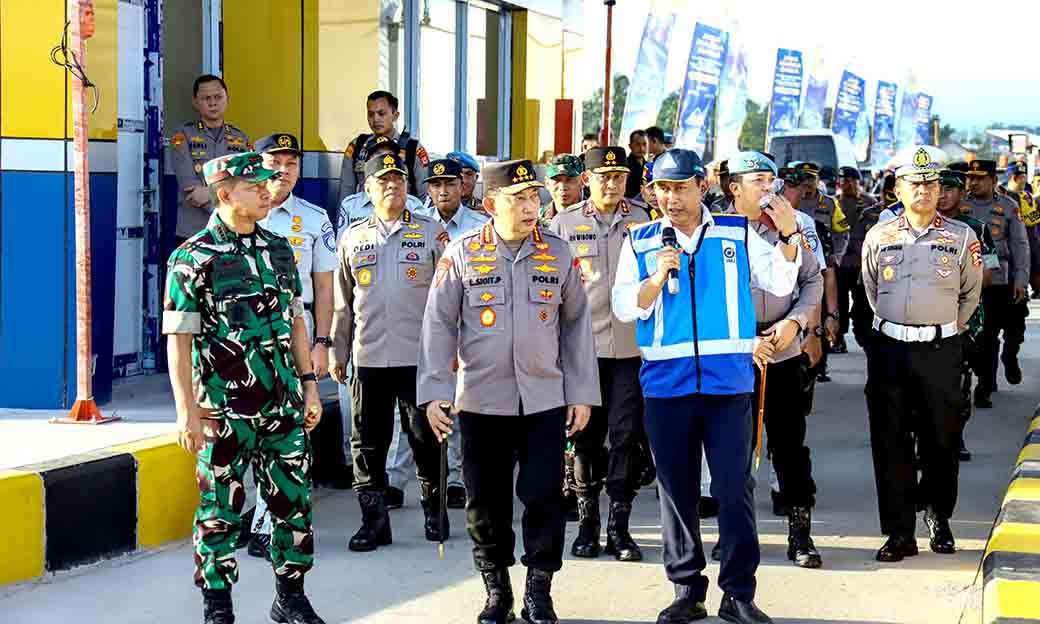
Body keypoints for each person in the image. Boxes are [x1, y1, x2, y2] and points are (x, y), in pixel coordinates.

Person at [612, 149, 802, 624]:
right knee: (675, 490)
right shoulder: (639, 241)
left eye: (679, 187)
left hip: (728, 384)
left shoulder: (735, 234)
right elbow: (622, 306)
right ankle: (686, 589)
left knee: (734, 487)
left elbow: (780, 279)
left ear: (702, 184)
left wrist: (789, 235)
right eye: (661, 188)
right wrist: (656, 278)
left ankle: (738, 592)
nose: (670, 198)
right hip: (667, 386)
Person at [419, 160, 600, 624]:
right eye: (517, 198)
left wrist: (581, 391)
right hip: (481, 399)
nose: (529, 207)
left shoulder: (558, 254)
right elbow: (438, 325)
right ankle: (496, 589)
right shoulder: (460, 253)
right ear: (489, 204)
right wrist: (436, 391)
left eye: (533, 197)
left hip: (544, 399)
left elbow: (578, 325)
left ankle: (540, 588)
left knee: (543, 496)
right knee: (485, 500)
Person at [164, 152, 325, 624]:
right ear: (225, 193)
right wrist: (186, 411)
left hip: (283, 406)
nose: (266, 189)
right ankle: (218, 607)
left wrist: (310, 385)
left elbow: (297, 320)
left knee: (293, 504)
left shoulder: (278, 248)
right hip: (223, 410)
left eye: (266, 182)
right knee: (220, 512)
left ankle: (290, 597)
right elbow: (180, 339)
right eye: (255, 184)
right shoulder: (192, 257)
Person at [861, 145, 982, 563]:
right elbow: (871, 291)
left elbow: (970, 295)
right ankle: (898, 532)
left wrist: (943, 326)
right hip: (891, 350)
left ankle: (939, 516)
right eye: (915, 183)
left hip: (940, 349)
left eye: (932, 183)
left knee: (942, 438)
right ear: (898, 188)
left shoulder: (962, 237)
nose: (925, 190)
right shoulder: (879, 236)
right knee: (890, 441)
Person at [329, 152, 447, 552]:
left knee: (424, 436)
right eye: (383, 181)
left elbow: (447, 302)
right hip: (368, 356)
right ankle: (373, 522)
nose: (392, 185)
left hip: (420, 357)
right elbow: (343, 304)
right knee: (367, 442)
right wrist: (336, 351)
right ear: (368, 189)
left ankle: (434, 511)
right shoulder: (353, 237)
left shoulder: (431, 233)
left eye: (397, 179)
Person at [241, 133, 341, 559]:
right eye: (275, 161)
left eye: (292, 162)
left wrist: (323, 342)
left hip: (291, 339)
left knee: (288, 433)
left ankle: (267, 523)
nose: (284, 170)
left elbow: (323, 287)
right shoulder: (242, 213)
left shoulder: (314, 219)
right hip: (242, 343)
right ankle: (252, 514)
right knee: (245, 433)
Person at [549, 146, 651, 563]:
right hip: (582, 350)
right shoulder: (562, 224)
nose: (611, 183)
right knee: (585, 439)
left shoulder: (643, 221)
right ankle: (588, 524)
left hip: (630, 349)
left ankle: (620, 529)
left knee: (625, 438)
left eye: (619, 176)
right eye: (603, 176)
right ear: (587, 180)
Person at [727, 154, 825, 569]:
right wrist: (744, 338)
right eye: (757, 180)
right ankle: (736, 535)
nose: (769, 188)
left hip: (783, 345)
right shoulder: (716, 229)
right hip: (734, 351)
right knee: (733, 449)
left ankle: (800, 533)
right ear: (734, 187)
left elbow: (813, 280)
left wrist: (798, 324)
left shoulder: (798, 224)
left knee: (789, 445)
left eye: (772, 179)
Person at [384, 159, 489, 510]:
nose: (443, 191)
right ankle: (396, 478)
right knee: (413, 408)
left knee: (457, 401)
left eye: (450, 184)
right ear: (427, 189)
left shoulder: (481, 225)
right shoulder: (416, 223)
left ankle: (455, 477)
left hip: (470, 322)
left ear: (463, 186)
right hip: (420, 327)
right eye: (436, 185)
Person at [938, 168, 997, 461]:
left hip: (964, 316)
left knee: (958, 380)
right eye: (940, 188)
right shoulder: (915, 225)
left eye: (950, 189)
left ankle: (954, 437)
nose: (944, 194)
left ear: (962, 194)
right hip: (924, 316)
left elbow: (986, 274)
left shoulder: (976, 228)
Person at [963, 159, 1030, 407]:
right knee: (986, 336)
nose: (974, 182)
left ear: (993, 180)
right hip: (972, 281)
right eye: (970, 177)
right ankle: (985, 384)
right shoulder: (960, 206)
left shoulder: (1009, 206)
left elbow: (1020, 246)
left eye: (979, 178)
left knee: (1014, 332)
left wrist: (1021, 279)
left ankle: (1010, 357)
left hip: (1002, 279)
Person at [169, 75, 250, 245]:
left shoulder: (241, 138)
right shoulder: (183, 135)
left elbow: (246, 182)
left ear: (227, 99)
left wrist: (209, 193)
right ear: (195, 102)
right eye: (206, 98)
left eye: (218, 97)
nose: (213, 103)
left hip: (232, 228)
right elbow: (190, 187)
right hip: (194, 230)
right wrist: (224, 200)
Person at [337, 90, 429, 204]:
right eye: (371, 114)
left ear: (395, 115)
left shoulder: (412, 149)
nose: (375, 119)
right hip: (364, 216)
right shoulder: (357, 146)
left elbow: (425, 196)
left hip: (402, 215)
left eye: (381, 113)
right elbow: (345, 192)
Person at [338, 136, 426, 233]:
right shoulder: (351, 205)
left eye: (390, 155)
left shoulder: (413, 205)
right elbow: (341, 244)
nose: (385, 159)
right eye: (378, 155)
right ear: (367, 163)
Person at [835, 166, 878, 352]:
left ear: (858, 183)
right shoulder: (833, 203)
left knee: (863, 304)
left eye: (852, 180)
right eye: (844, 180)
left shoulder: (870, 203)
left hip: (862, 265)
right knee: (840, 303)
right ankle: (838, 337)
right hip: (841, 264)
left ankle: (865, 337)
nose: (848, 184)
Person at [540, 154, 586, 223]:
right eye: (556, 180)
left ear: (582, 181)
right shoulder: (537, 219)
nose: (562, 187)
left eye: (569, 180)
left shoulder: (595, 217)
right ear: (547, 183)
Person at [626, 130, 648, 198]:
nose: (641, 148)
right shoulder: (625, 165)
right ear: (630, 146)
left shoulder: (649, 166)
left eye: (644, 144)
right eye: (637, 144)